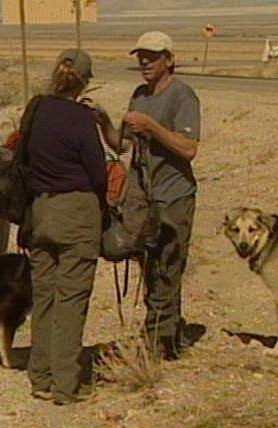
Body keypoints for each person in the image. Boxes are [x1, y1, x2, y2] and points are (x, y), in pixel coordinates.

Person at [98, 31, 201, 360]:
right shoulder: (139, 95)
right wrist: (104, 124)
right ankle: (164, 332)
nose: (144, 62)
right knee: (148, 264)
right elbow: (122, 145)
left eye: (152, 56)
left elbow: (189, 148)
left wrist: (152, 127)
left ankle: (162, 341)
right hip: (142, 197)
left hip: (173, 196)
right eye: (140, 56)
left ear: (169, 60)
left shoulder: (182, 96)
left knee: (168, 265)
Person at [25, 49, 107, 405]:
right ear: (85, 82)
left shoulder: (37, 109)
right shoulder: (80, 118)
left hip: (40, 210)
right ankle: (66, 384)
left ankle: (40, 377)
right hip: (76, 211)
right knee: (71, 299)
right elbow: (98, 173)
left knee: (44, 297)